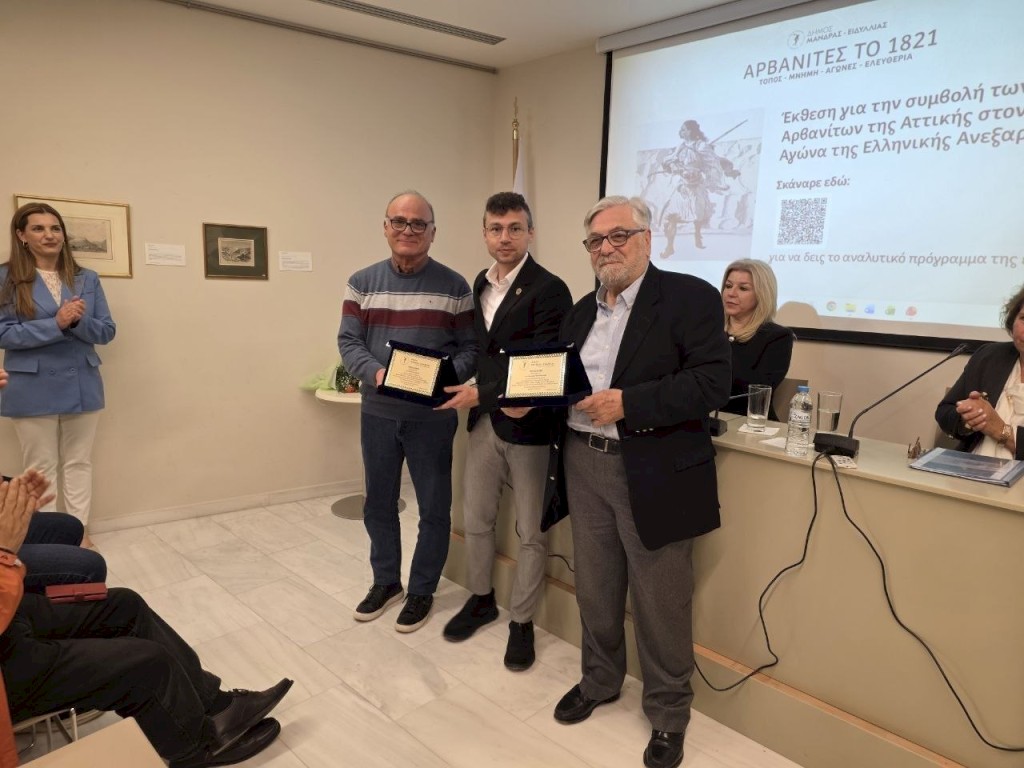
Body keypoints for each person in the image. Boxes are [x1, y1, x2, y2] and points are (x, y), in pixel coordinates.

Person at [551, 196, 730, 768]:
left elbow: (711, 383)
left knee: (660, 599)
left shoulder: (689, 297)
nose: (606, 248)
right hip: (583, 461)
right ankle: (600, 680)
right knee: (596, 586)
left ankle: (669, 713)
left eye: (618, 235)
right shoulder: (579, 313)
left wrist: (629, 403)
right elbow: (560, 380)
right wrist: (534, 399)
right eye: (595, 240)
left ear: (648, 239)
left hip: (653, 470)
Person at [437, 192, 572, 669]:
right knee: (476, 517)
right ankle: (480, 598)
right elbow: (484, 351)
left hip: (530, 426)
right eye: (495, 229)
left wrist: (482, 394)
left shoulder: (551, 289)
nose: (505, 237)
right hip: (484, 423)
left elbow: (543, 365)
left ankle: (522, 621)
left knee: (530, 530)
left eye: (515, 228)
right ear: (484, 233)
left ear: (530, 232)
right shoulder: (480, 282)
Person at [338, 191, 476, 633]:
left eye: (419, 223)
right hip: (378, 412)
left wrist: (442, 377)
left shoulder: (455, 287)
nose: (408, 230)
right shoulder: (361, 283)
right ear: (385, 227)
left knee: (434, 508)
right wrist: (377, 374)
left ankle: (421, 590)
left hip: (431, 418)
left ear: (433, 232)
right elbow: (348, 342)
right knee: (378, 504)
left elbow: (472, 349)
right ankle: (386, 582)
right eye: (399, 221)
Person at [0, 203, 117, 541]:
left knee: (79, 462)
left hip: (82, 379)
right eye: (38, 228)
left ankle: (80, 533)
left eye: (55, 228)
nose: (49, 235)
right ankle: (53, 541)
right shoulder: (5, 277)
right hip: (30, 383)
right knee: (40, 468)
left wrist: (77, 322)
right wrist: (56, 324)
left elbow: (107, 331)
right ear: (22, 235)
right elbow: (3, 333)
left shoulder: (86, 277)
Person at [935, 285, 1024, 458]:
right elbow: (944, 412)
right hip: (970, 467)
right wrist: (968, 418)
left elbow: (996, 428)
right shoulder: (989, 356)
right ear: (1012, 320)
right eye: (1023, 318)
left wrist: (1000, 430)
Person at [719, 259, 795, 421]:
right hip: (704, 419)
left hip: (750, 422)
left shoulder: (778, 337)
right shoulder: (709, 329)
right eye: (728, 286)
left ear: (762, 294)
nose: (731, 293)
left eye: (743, 288)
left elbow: (756, 389)